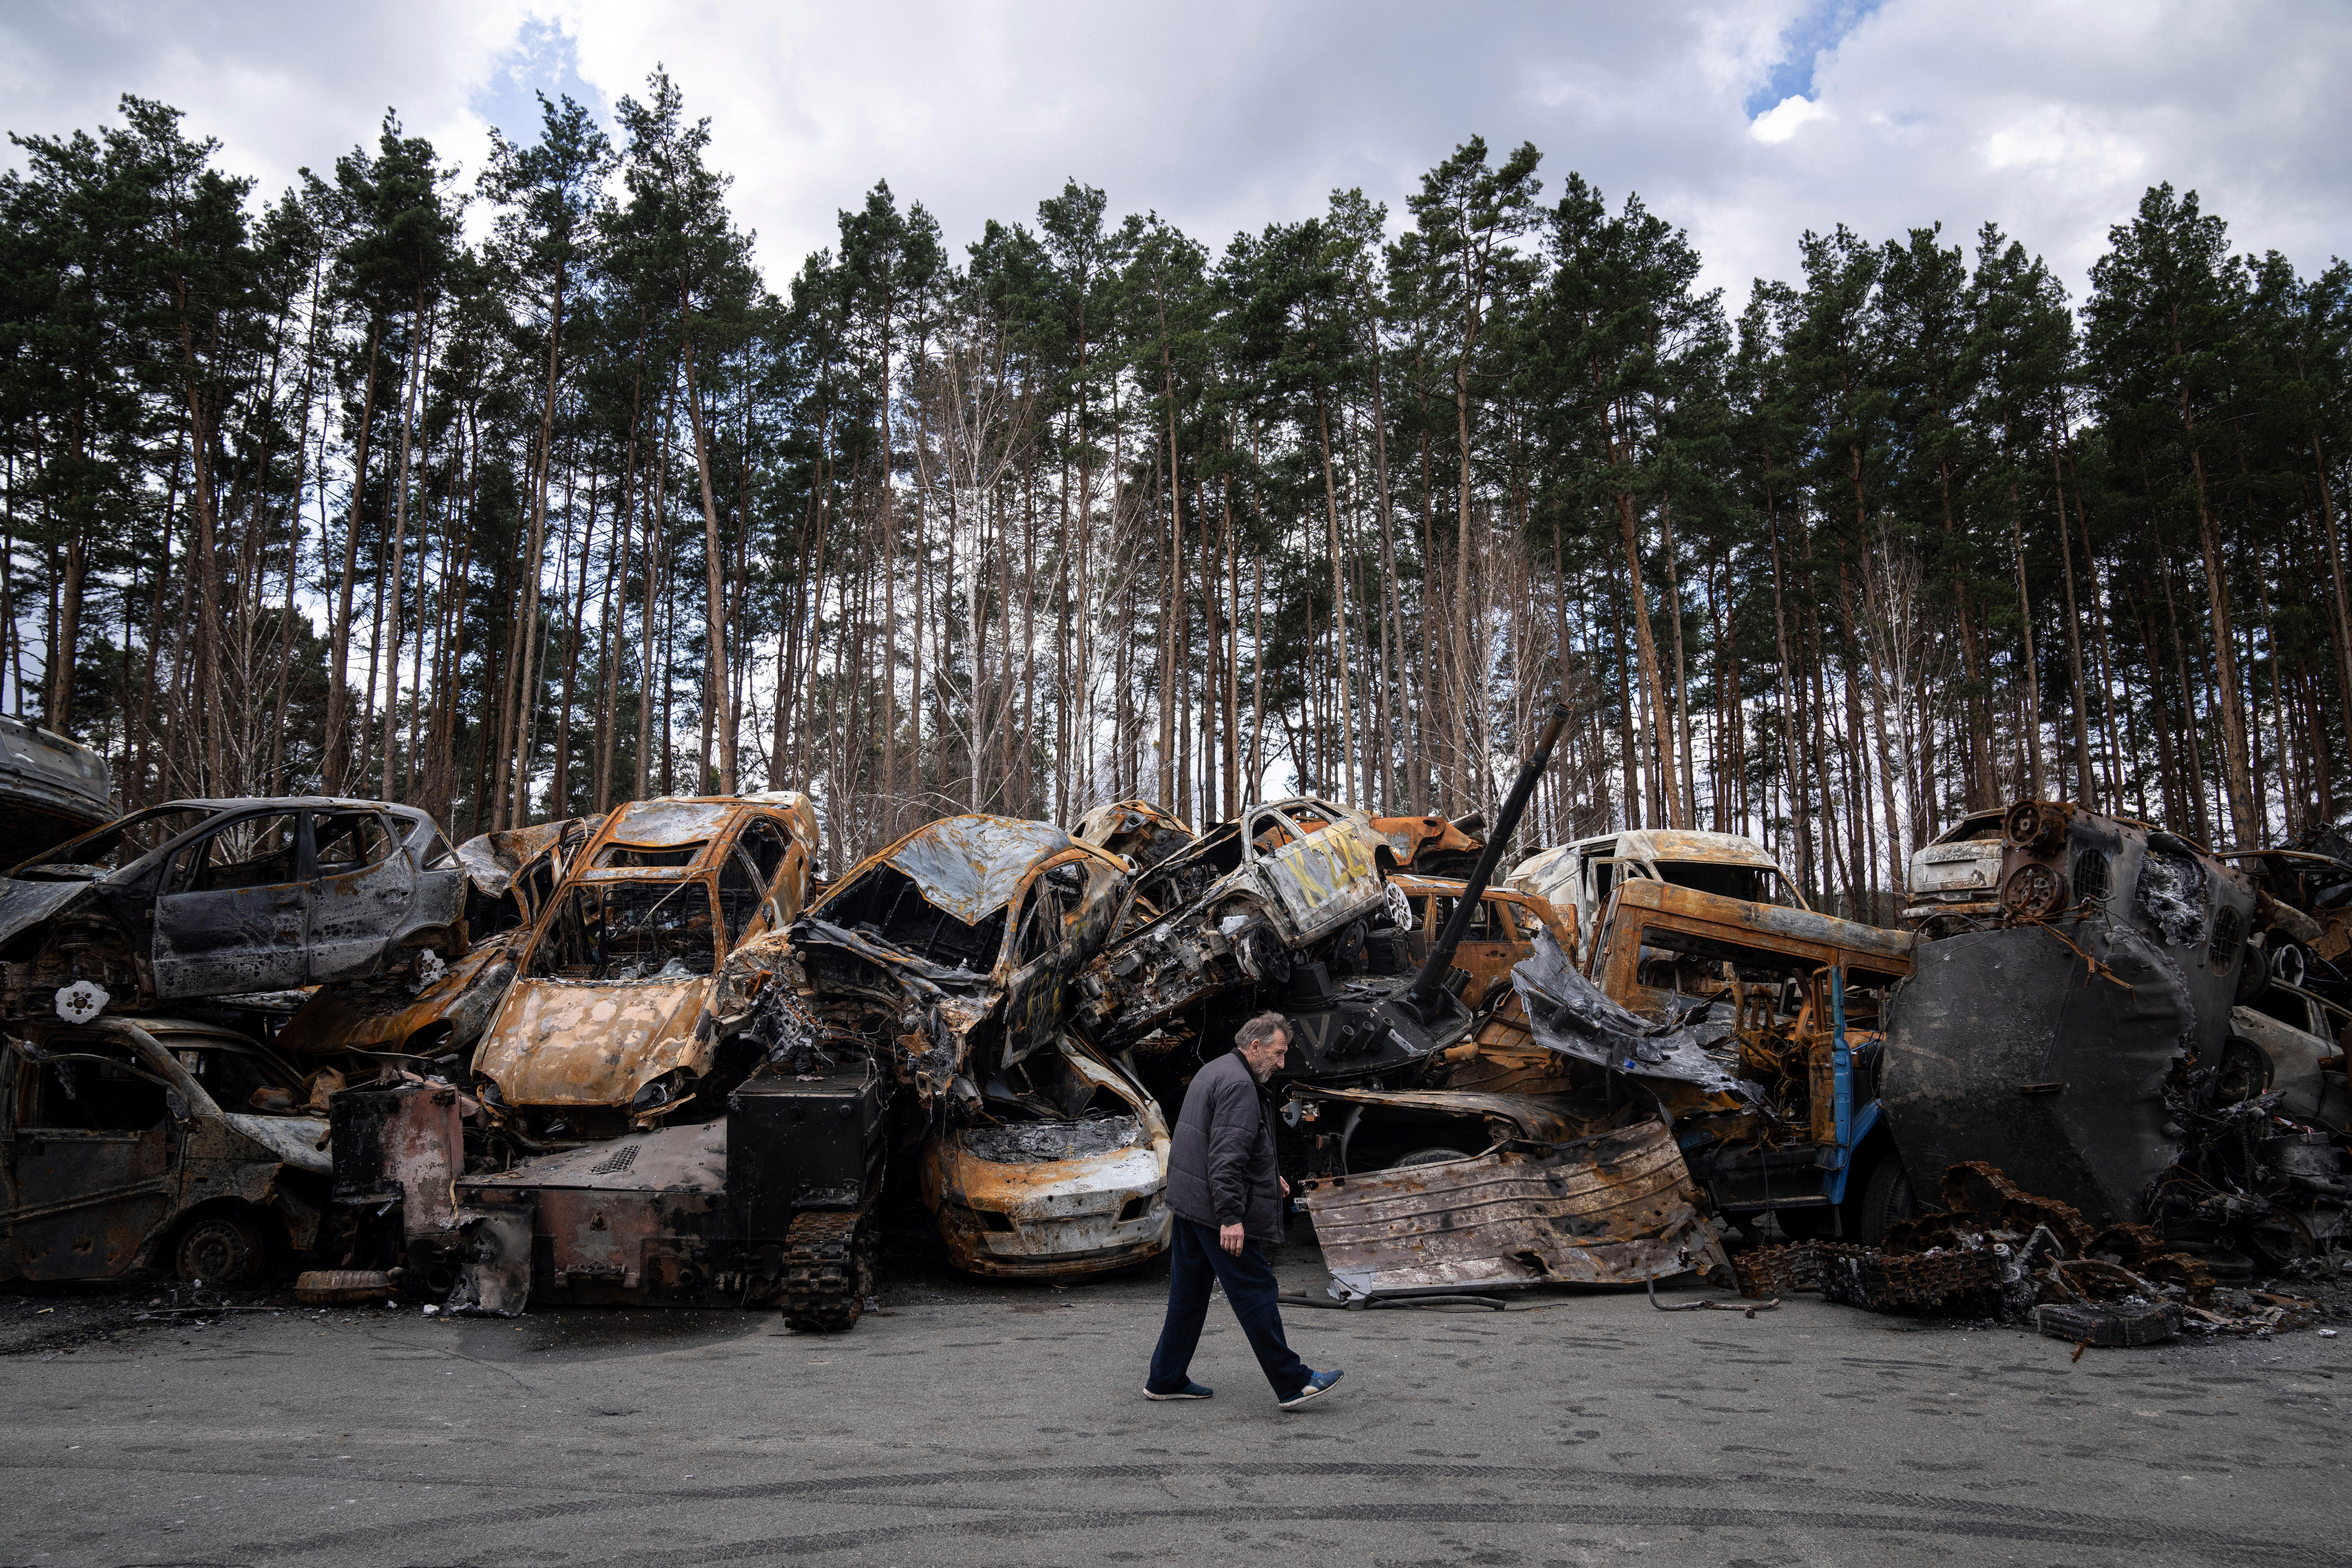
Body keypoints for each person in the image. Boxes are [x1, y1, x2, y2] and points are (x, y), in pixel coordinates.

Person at [1144, 1011, 1344, 1410]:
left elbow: (1223, 1142)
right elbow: (1225, 1158)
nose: (1282, 1063)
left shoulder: (1218, 1069)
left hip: (1190, 1203)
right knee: (1256, 1291)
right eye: (1279, 1053)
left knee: (1189, 1294)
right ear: (1255, 1047)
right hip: (1215, 1209)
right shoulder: (1239, 1085)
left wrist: (1270, 1177)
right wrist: (1232, 1218)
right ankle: (1293, 1382)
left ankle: (1165, 1378)